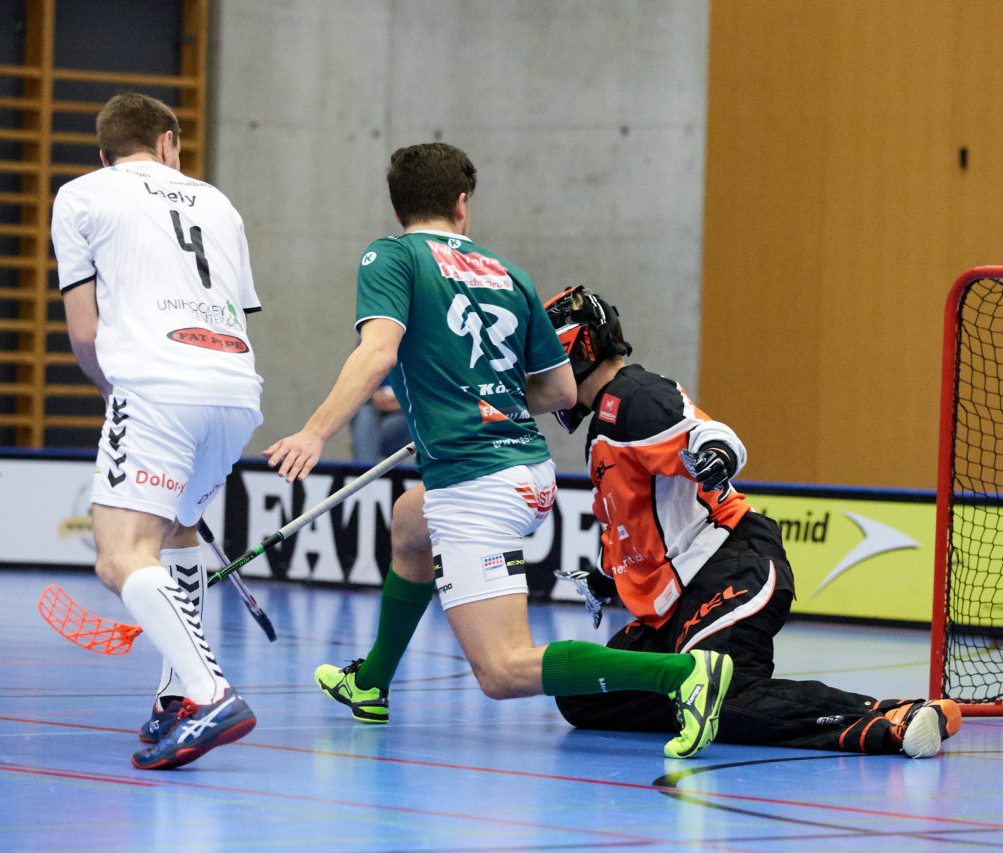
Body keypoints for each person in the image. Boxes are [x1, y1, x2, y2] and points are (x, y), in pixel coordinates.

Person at [263, 143, 733, 759]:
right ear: (462, 204)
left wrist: (315, 431)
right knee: (410, 522)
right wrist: (488, 398)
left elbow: (378, 352)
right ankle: (372, 681)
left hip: (476, 488)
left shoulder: (391, 257)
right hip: (527, 471)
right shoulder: (510, 273)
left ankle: (685, 676)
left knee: (503, 670)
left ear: (400, 204)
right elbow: (562, 390)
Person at [544, 286, 962, 758]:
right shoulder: (603, 427)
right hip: (677, 600)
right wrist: (605, 579)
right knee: (586, 693)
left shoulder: (632, 396)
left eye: (547, 359)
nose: (540, 377)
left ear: (578, 349)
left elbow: (707, 432)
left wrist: (716, 455)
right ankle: (698, 703)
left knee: (726, 695)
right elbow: (631, 524)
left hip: (730, 564)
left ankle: (894, 717)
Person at [51, 92, 261, 770]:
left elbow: (85, 331)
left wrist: (115, 390)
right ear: (169, 141)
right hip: (234, 391)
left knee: (118, 555)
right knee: (175, 533)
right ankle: (177, 698)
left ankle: (209, 689)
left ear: (105, 152)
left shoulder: (83, 195)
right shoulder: (219, 203)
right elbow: (237, 308)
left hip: (156, 384)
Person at [349, 378, 410, 463]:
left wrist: (405, 401)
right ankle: (365, 470)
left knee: (367, 436)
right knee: (363, 413)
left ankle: (365, 471)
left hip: (407, 416)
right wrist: (373, 396)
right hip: (376, 415)